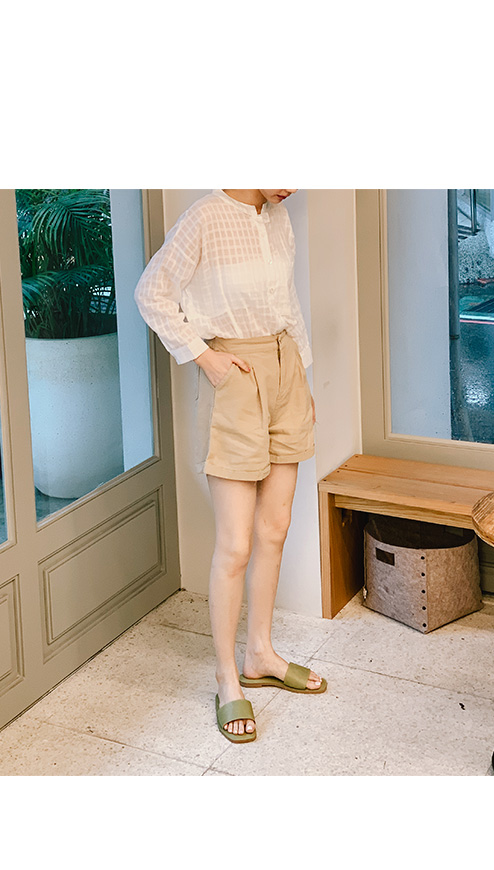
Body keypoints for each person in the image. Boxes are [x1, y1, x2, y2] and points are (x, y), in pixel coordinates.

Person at [134, 189, 326, 744]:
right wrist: (203, 354)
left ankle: (260, 653)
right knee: (236, 544)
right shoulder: (205, 216)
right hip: (237, 376)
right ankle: (226, 677)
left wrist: (302, 374)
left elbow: (287, 302)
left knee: (275, 528)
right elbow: (152, 291)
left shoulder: (278, 217)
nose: (291, 185)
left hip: (286, 372)